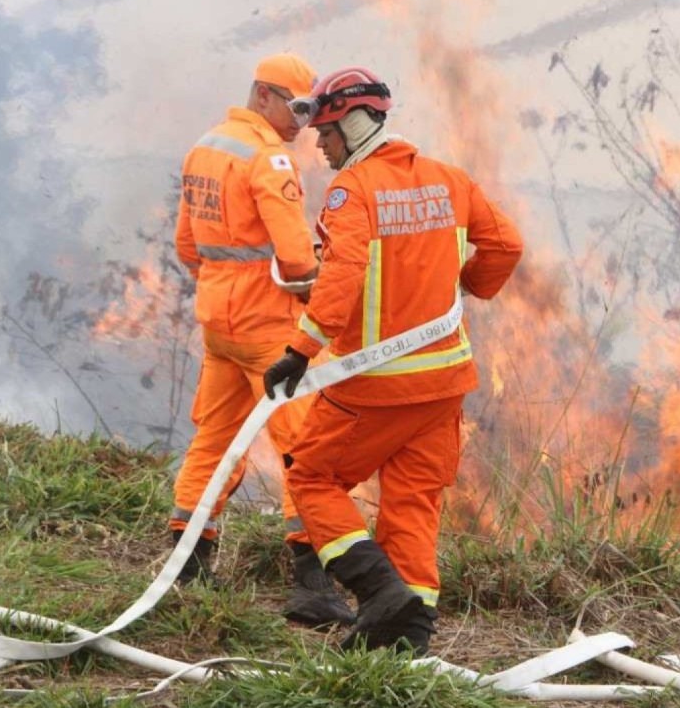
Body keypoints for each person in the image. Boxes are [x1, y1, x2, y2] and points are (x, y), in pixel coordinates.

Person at [263, 66, 524, 655]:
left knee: (311, 476)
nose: (320, 147)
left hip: (373, 387)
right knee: (411, 503)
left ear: (352, 125)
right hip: (444, 385)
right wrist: (468, 284)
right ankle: (407, 638)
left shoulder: (352, 192)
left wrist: (301, 349)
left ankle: (376, 588)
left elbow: (344, 274)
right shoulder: (450, 181)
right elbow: (506, 245)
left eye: (325, 133)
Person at [171, 53, 354, 628]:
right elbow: (297, 258)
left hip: (218, 323)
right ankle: (312, 584)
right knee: (305, 449)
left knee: (216, 438)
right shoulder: (269, 157)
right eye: (298, 107)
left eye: (311, 109)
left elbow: (186, 247)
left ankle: (187, 562)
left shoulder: (205, 146)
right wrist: (319, 297)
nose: (304, 121)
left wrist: (223, 288)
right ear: (263, 96)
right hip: (268, 328)